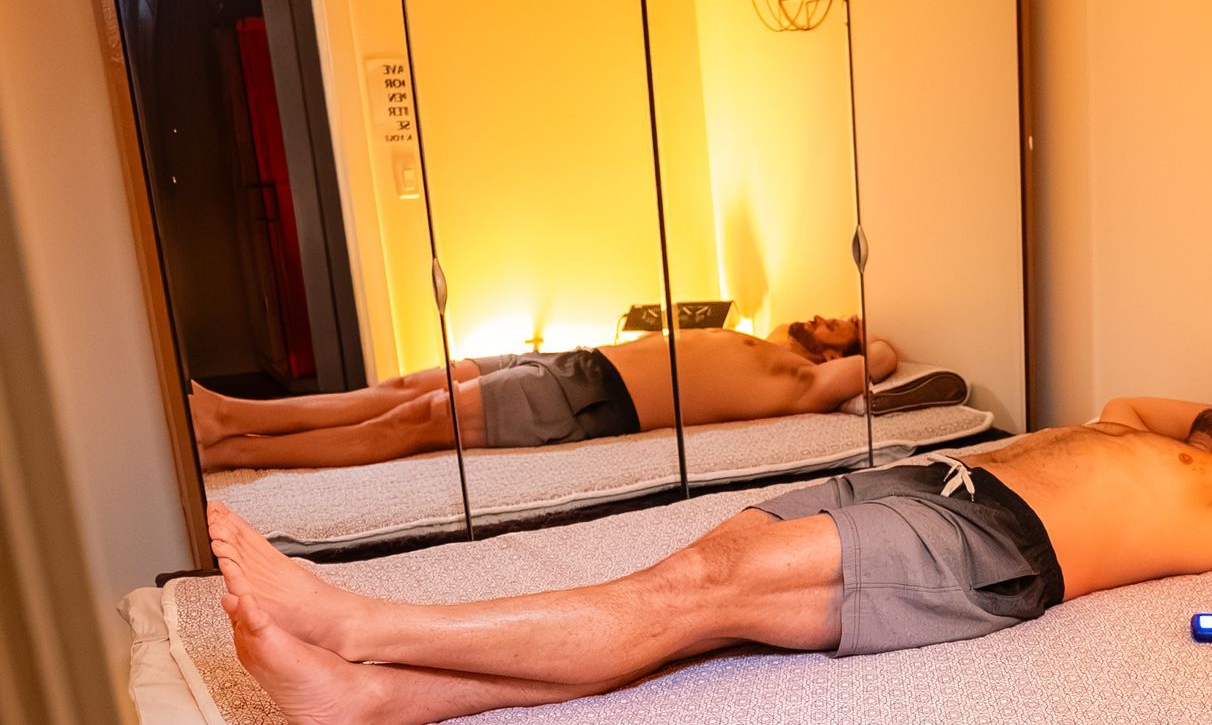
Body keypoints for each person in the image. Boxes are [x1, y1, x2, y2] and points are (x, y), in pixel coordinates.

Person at [209, 390, 1212, 725]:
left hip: (998, 547)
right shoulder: (1143, 432)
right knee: (693, 602)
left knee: (692, 591)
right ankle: (373, 703)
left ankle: (358, 622)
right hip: (933, 483)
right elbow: (1135, 398)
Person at [189, 317, 899, 472]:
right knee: (411, 384)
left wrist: (864, 344)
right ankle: (228, 413)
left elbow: (885, 358)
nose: (823, 316)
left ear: (838, 354)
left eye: (841, 322)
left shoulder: (801, 381)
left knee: (416, 420)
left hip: (593, 400)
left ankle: (234, 448)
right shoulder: (769, 340)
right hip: (579, 360)